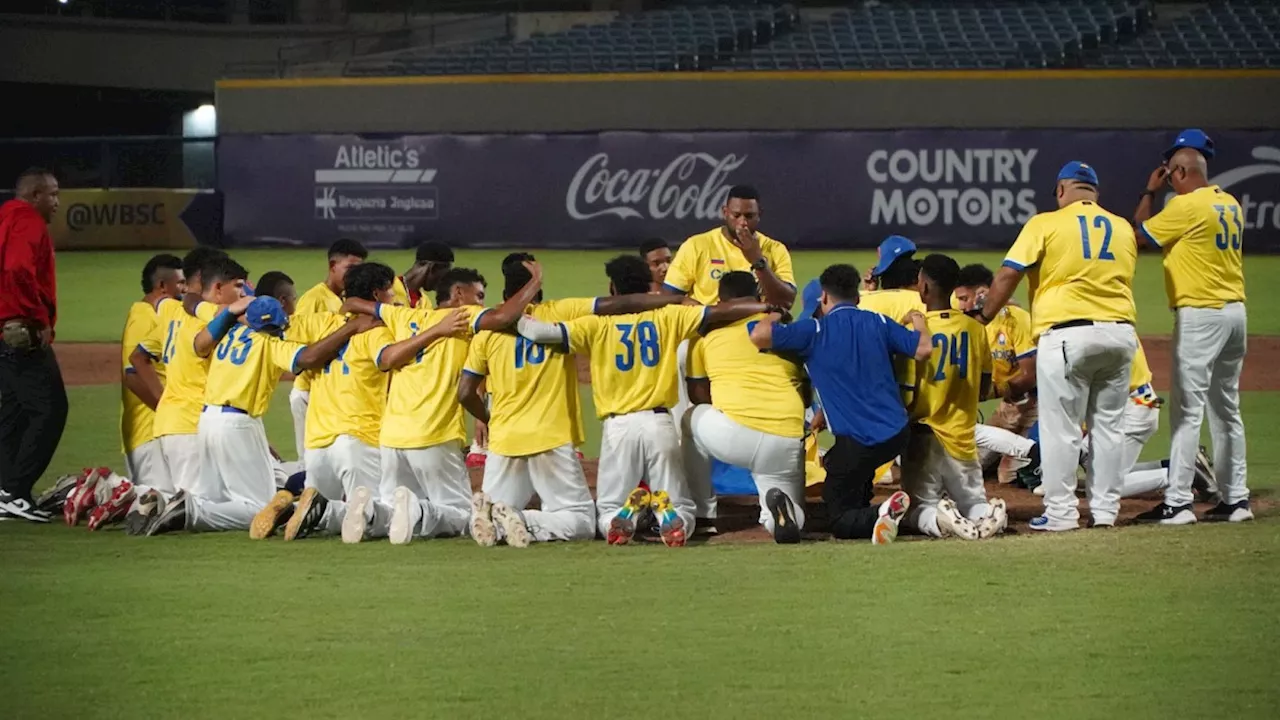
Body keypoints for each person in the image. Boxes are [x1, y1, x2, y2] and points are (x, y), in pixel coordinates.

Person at [517, 257, 775, 546]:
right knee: (683, 508)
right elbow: (721, 311)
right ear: (649, 287)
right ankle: (669, 517)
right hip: (659, 423)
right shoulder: (668, 317)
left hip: (619, 428)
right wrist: (767, 306)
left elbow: (537, 331)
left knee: (608, 510)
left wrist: (514, 309)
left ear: (612, 288)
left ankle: (623, 516)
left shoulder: (593, 325)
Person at [330, 264, 538, 546]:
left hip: (392, 437)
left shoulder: (402, 315)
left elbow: (354, 303)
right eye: (478, 296)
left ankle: (369, 511)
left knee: (392, 508)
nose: (482, 304)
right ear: (458, 294)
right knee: (463, 514)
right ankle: (418, 511)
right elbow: (504, 316)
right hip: (433, 433)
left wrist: (354, 311)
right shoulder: (462, 316)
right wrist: (534, 282)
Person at [980, 161, 1138, 531]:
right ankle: (1104, 513)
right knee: (1108, 429)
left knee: (1061, 429)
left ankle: (1062, 514)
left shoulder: (1045, 223)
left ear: (1061, 190)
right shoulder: (1122, 228)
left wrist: (984, 318)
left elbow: (1008, 274)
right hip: (1120, 335)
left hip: (1068, 333)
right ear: (1094, 193)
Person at [145, 296, 372, 535]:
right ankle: (192, 510)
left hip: (205, 420)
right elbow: (309, 357)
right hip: (237, 424)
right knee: (258, 508)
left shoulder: (230, 330)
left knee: (217, 497)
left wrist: (230, 310)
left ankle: (186, 505)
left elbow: (194, 316)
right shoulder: (270, 343)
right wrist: (350, 329)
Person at [750, 264, 930, 543]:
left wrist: (775, 312)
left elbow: (759, 336)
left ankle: (886, 513)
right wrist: (918, 320)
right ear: (857, 297)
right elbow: (922, 349)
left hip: (860, 440)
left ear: (823, 297)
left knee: (838, 517)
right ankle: (878, 510)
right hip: (896, 433)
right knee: (853, 471)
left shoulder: (814, 330)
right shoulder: (878, 322)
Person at [1132, 129, 1251, 524]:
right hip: (1235, 314)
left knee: (1187, 412)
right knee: (1227, 410)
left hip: (1201, 315)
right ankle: (1237, 500)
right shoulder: (1229, 202)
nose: (1168, 176)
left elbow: (1139, 235)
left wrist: (1150, 192)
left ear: (1180, 170)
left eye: (1170, 170)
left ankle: (1178, 502)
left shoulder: (1186, 207)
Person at [249, 263, 396, 541]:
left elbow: (284, 330)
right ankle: (323, 510)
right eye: (389, 291)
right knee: (372, 516)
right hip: (358, 436)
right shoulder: (378, 330)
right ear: (377, 295)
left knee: (312, 522)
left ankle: (292, 508)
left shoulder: (319, 323)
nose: (393, 297)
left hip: (317, 442)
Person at [681, 271, 809, 543]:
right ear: (759, 297)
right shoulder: (783, 331)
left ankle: (703, 514)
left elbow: (698, 394)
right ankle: (781, 516)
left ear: (721, 301)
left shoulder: (706, 337)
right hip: (786, 435)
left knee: (690, 417)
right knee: (788, 510)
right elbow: (806, 395)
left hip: (735, 435)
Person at [124, 249, 234, 531]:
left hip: (167, 422)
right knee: (195, 509)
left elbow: (138, 358)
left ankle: (134, 497)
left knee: (173, 499)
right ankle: (115, 491)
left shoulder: (170, 312)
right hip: (191, 424)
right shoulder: (210, 318)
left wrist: (164, 401)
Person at [899, 254, 1006, 541]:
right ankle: (990, 516)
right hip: (963, 433)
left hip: (925, 431)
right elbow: (984, 385)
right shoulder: (975, 328)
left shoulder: (914, 330)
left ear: (923, 289)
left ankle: (940, 520)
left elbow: (906, 387)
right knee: (973, 501)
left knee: (918, 508)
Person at [0, 167, 65, 522]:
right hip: (19, 329)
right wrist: (36, 318)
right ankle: (15, 490)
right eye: (52, 194)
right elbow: (16, 270)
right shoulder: (27, 221)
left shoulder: (5, 217)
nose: (57, 202)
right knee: (50, 409)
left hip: (3, 330)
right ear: (34, 195)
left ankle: (5, 490)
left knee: (13, 412)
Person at [112, 254, 184, 517]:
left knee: (172, 504)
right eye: (181, 282)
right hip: (149, 433)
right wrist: (169, 413)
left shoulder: (156, 315)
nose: (185, 289)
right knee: (159, 507)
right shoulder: (144, 315)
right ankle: (102, 488)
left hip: (156, 431)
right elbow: (133, 375)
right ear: (162, 286)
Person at [953, 263, 1038, 481]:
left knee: (1010, 475)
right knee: (968, 465)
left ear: (983, 294)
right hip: (1008, 406)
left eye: (964, 299)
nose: (961, 306)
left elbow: (1030, 375)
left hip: (1037, 406)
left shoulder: (1017, 318)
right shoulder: (969, 320)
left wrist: (987, 393)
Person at [289, 238, 368, 464]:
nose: (355, 275)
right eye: (350, 268)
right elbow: (299, 350)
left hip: (334, 391)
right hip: (309, 391)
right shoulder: (313, 300)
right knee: (312, 462)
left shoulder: (352, 299)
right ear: (333, 266)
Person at [391, 241, 453, 309]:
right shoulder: (387, 289)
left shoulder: (425, 302)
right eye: (443, 277)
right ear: (432, 268)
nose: (443, 282)